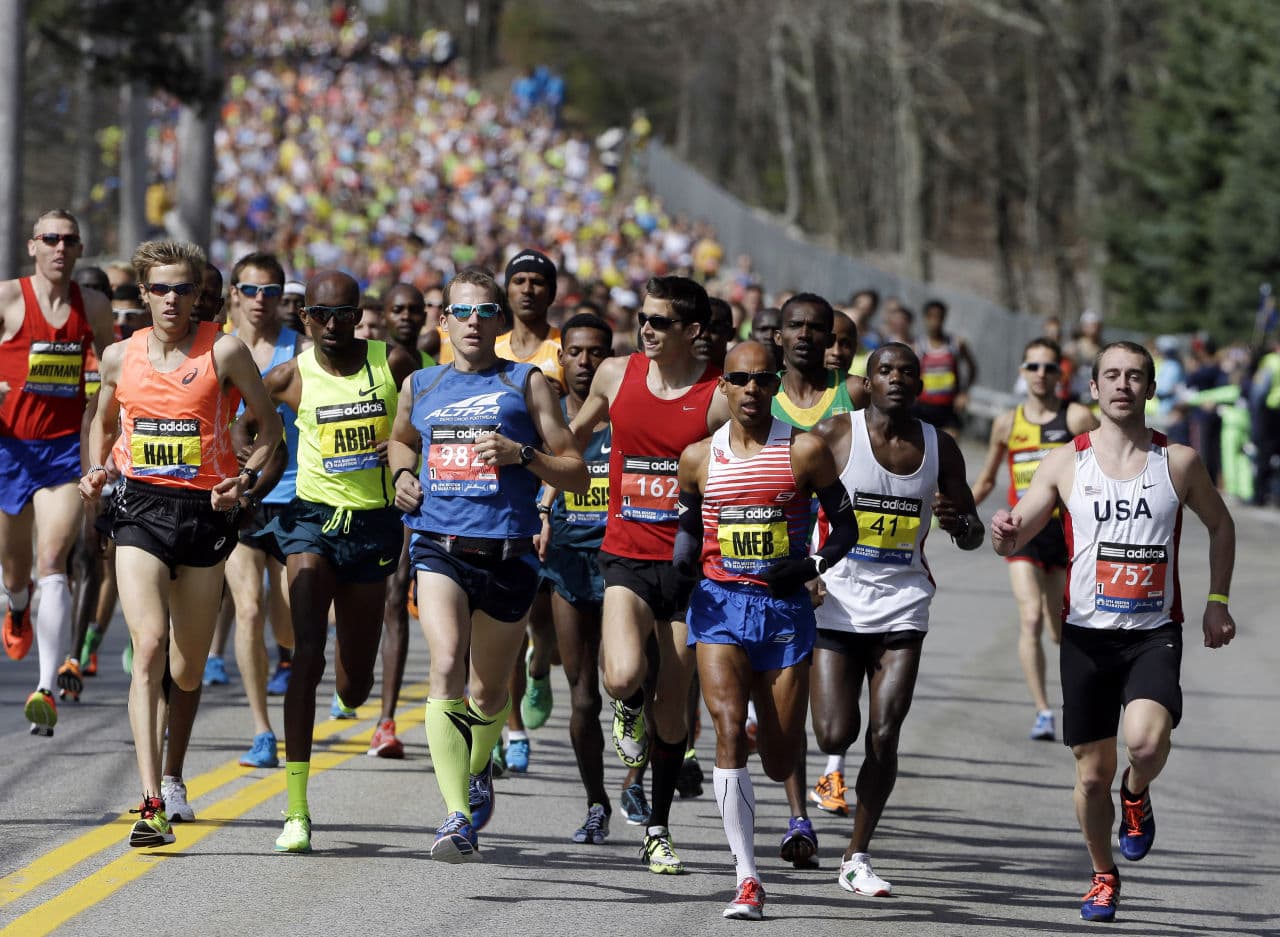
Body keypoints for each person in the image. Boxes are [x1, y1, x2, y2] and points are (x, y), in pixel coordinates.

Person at [991, 340, 1237, 923]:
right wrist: (1004, 532)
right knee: (1090, 775)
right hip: (1085, 636)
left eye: (1135, 376)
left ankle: (1139, 791)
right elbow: (1019, 526)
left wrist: (1217, 602)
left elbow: (1222, 527)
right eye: (1111, 375)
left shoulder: (1176, 462)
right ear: (1094, 390)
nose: (1123, 384)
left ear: (1150, 389)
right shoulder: (1063, 461)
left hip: (1153, 632)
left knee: (1146, 743)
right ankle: (1103, 874)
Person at [80, 239, 280, 846]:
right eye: (161, 289)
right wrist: (96, 469)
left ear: (199, 296)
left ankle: (173, 776)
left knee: (186, 668)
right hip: (139, 508)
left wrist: (242, 484)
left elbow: (268, 429)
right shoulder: (119, 355)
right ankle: (148, 803)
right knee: (149, 648)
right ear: (143, 294)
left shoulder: (223, 350)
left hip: (204, 512)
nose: (172, 299)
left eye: (184, 289)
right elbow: (103, 421)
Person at [387, 267, 586, 863]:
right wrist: (400, 474)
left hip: (509, 554)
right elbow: (401, 440)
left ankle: (477, 769)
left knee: (491, 691)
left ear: (499, 322)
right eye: (461, 313)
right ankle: (455, 817)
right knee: (445, 664)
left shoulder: (527, 384)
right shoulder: (420, 385)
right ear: (442, 322)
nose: (473, 323)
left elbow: (574, 468)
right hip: (438, 547)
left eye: (485, 312)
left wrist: (522, 454)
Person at [675, 341, 859, 920]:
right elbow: (686, 527)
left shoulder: (805, 450)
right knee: (727, 728)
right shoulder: (698, 457)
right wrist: (678, 569)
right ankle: (747, 877)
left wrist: (807, 567)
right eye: (740, 379)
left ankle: (771, 750)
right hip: (719, 606)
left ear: (775, 385)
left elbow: (847, 529)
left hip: (783, 614)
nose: (751, 390)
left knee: (780, 758)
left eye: (762, 379)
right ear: (722, 387)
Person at [248, 271, 417, 853]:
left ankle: (352, 691)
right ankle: (296, 810)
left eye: (344, 313)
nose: (333, 324)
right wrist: (248, 475)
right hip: (310, 521)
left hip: (372, 525)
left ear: (359, 313)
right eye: (321, 314)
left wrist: (397, 449)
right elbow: (250, 424)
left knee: (355, 678)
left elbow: (416, 425)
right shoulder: (291, 374)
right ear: (307, 319)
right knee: (307, 654)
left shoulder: (392, 361)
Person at [809, 342, 984, 897]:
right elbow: (791, 505)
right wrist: (804, 570)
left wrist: (961, 524)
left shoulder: (940, 445)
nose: (898, 379)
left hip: (904, 602)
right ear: (868, 380)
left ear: (920, 383)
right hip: (837, 600)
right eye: (886, 370)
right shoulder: (837, 435)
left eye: (908, 372)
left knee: (884, 735)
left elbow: (973, 530)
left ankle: (856, 855)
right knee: (836, 731)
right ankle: (826, 776)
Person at [569, 274, 729, 874]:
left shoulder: (716, 399)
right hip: (626, 555)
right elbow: (574, 438)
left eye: (660, 321)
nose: (647, 329)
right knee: (621, 677)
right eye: (644, 317)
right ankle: (626, 706)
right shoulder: (616, 375)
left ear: (693, 331)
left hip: (691, 569)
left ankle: (657, 828)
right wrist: (525, 455)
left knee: (674, 717)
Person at [0, 210, 112, 734]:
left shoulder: (92, 307)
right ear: (33, 246)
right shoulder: (7, 298)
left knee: (53, 560)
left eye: (69, 239)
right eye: (50, 239)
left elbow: (115, 375)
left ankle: (45, 687)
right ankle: (17, 608)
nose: (60, 248)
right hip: (9, 453)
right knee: (16, 573)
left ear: (79, 247)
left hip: (64, 453)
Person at [766, 293, 866, 833]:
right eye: (794, 327)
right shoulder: (761, 393)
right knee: (784, 693)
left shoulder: (852, 396)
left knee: (818, 686)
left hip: (840, 550)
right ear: (779, 335)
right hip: (774, 555)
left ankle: (824, 779)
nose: (806, 337)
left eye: (817, 330)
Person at [973, 338, 1098, 740]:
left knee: (1059, 629)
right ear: (1022, 372)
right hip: (1023, 531)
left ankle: (1080, 697)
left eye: (1049, 367)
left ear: (1060, 374)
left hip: (1066, 534)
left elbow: (1107, 462)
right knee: (1030, 618)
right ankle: (1044, 711)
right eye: (1034, 367)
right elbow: (989, 478)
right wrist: (954, 513)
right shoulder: (1007, 424)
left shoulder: (1077, 418)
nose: (1041, 374)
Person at [533, 312, 615, 842]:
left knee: (631, 685)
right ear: (560, 358)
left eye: (597, 353)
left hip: (624, 565)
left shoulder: (628, 413)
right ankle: (596, 801)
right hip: (565, 564)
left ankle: (638, 785)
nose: (586, 362)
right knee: (584, 696)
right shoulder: (544, 415)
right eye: (577, 352)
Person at [221, 253, 301, 769]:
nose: (260, 301)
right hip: (236, 495)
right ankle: (262, 730)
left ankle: (290, 659)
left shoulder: (304, 349)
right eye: (251, 291)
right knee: (247, 606)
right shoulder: (215, 346)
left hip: (295, 492)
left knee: (290, 613)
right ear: (233, 293)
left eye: (271, 292)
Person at [370, 282, 436, 759]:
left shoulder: (440, 368)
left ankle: (386, 721)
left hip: (419, 495)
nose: (409, 317)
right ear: (385, 315)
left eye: (417, 309)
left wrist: (405, 453)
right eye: (399, 310)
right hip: (363, 495)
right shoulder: (372, 362)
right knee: (374, 597)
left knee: (398, 591)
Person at [914, 299, 977, 436]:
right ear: (925, 318)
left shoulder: (955, 344)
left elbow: (972, 368)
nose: (935, 321)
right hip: (923, 406)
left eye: (939, 316)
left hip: (948, 407)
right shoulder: (918, 345)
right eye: (931, 316)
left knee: (950, 445)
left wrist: (964, 393)